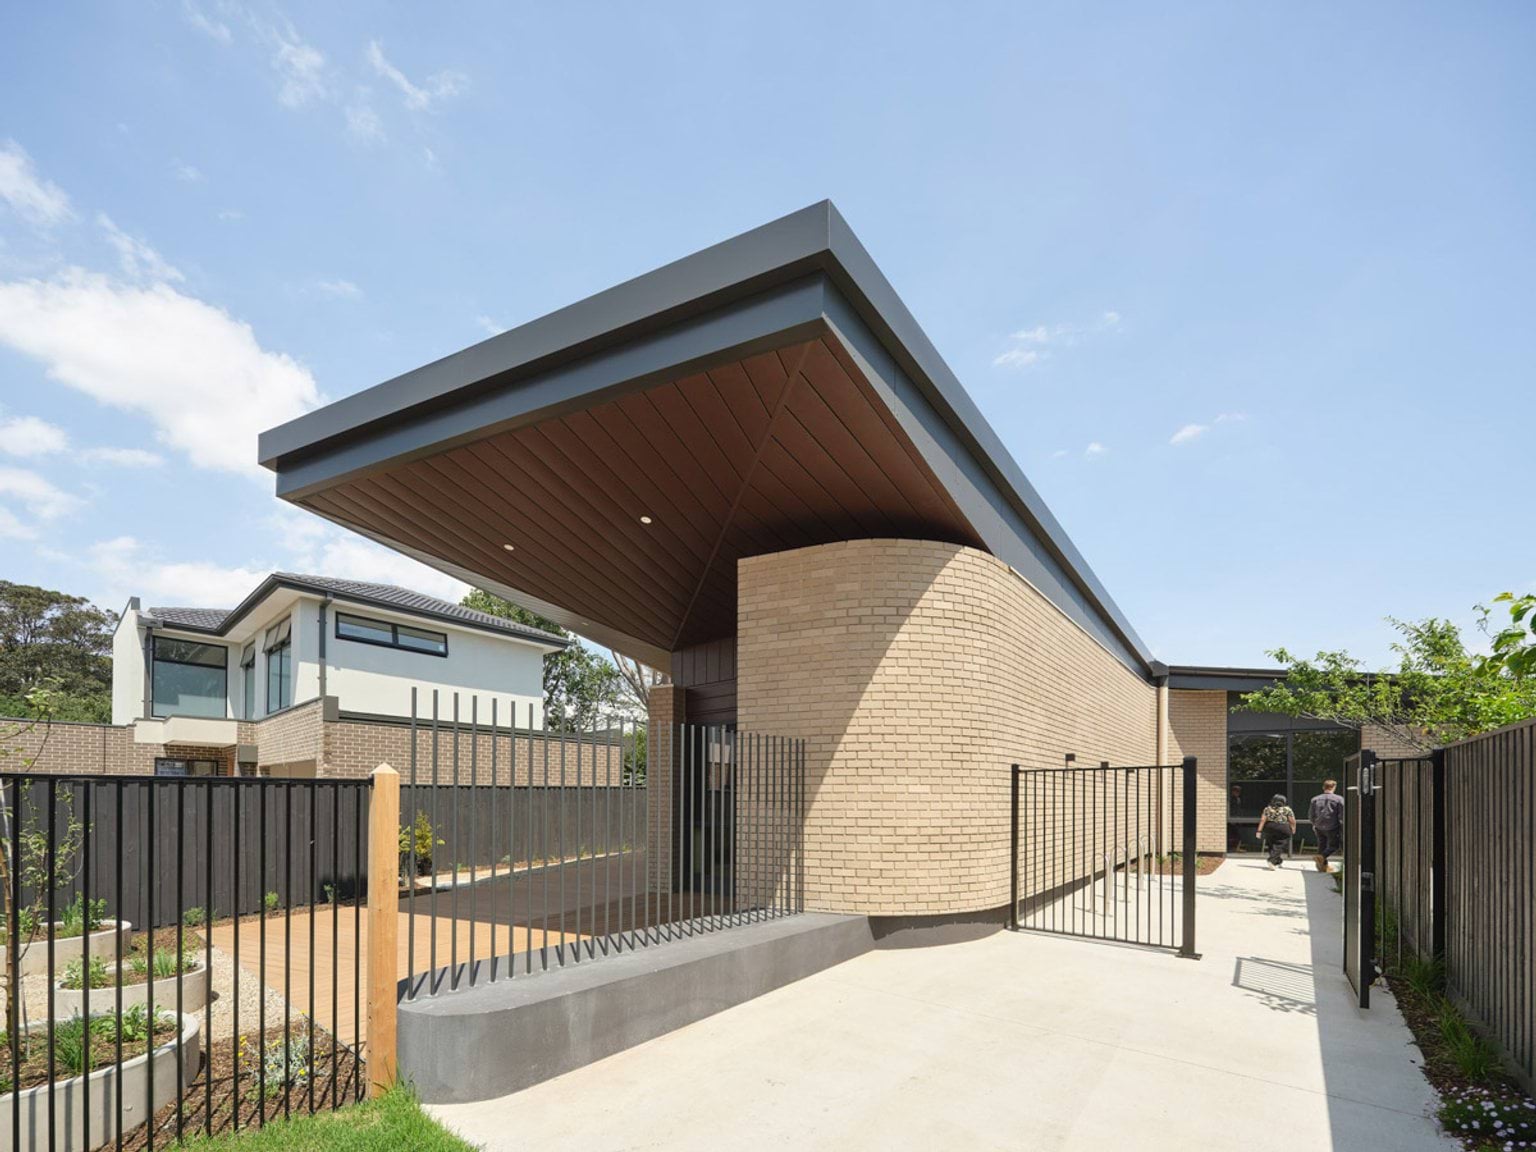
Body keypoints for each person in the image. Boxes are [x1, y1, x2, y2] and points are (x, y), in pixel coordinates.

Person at [1309, 779, 1345, 872]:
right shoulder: (1339, 799)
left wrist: (1314, 823)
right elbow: (1341, 815)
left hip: (1319, 826)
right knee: (1334, 846)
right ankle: (1322, 857)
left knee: (1322, 845)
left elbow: (1311, 814)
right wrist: (1342, 826)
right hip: (1332, 826)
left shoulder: (1315, 799)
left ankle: (1322, 867)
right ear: (1334, 787)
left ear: (1323, 787)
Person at [1256, 794, 1296, 870]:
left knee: (1272, 845)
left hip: (1270, 827)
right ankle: (1272, 861)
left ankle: (1278, 861)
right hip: (1283, 827)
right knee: (1280, 844)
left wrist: (1259, 831)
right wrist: (1293, 829)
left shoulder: (1267, 809)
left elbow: (1262, 820)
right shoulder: (1287, 809)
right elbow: (1292, 820)